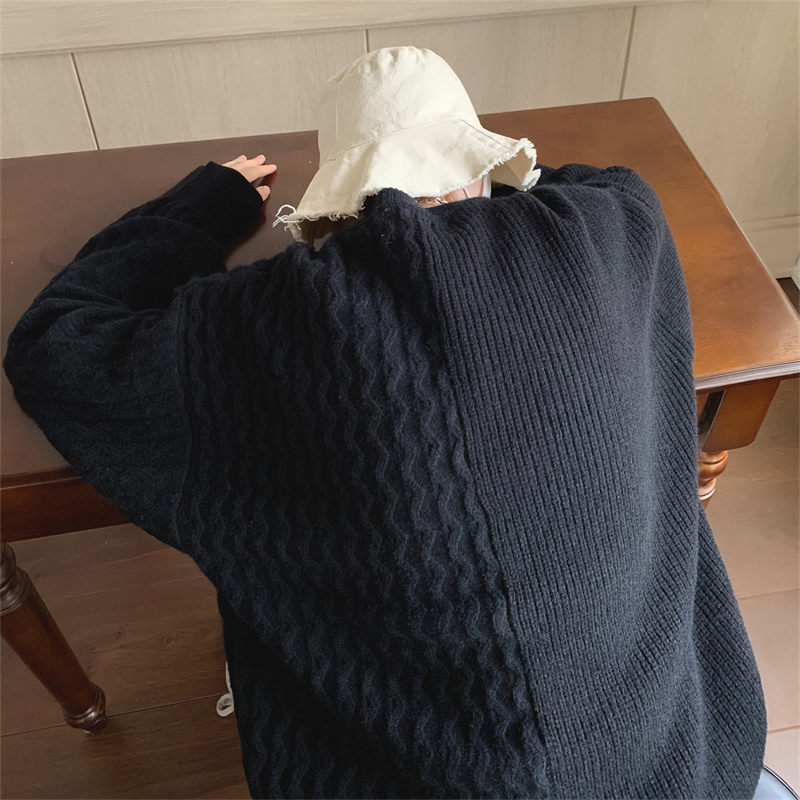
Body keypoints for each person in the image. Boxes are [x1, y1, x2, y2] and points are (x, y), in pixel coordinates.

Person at [3, 46, 768, 799]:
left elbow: (56, 343)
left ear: (335, 201)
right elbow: (585, 178)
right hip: (692, 770)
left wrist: (203, 207)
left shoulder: (257, 327)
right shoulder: (614, 224)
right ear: (482, 165)